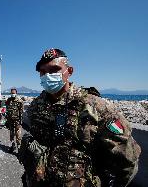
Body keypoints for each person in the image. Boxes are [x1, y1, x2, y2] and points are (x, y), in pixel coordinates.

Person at [19, 48, 141, 187]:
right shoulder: (36, 106)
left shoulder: (96, 107)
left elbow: (127, 160)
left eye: (54, 70)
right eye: (43, 72)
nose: (47, 75)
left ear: (69, 71)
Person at [5, 88, 24, 153]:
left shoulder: (19, 101)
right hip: (10, 120)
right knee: (11, 134)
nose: (13, 94)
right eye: (12, 93)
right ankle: (12, 146)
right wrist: (6, 120)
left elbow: (21, 111)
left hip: (17, 120)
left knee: (18, 134)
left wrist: (21, 121)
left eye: (14, 93)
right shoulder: (8, 100)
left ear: (16, 93)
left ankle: (19, 148)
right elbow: (7, 109)